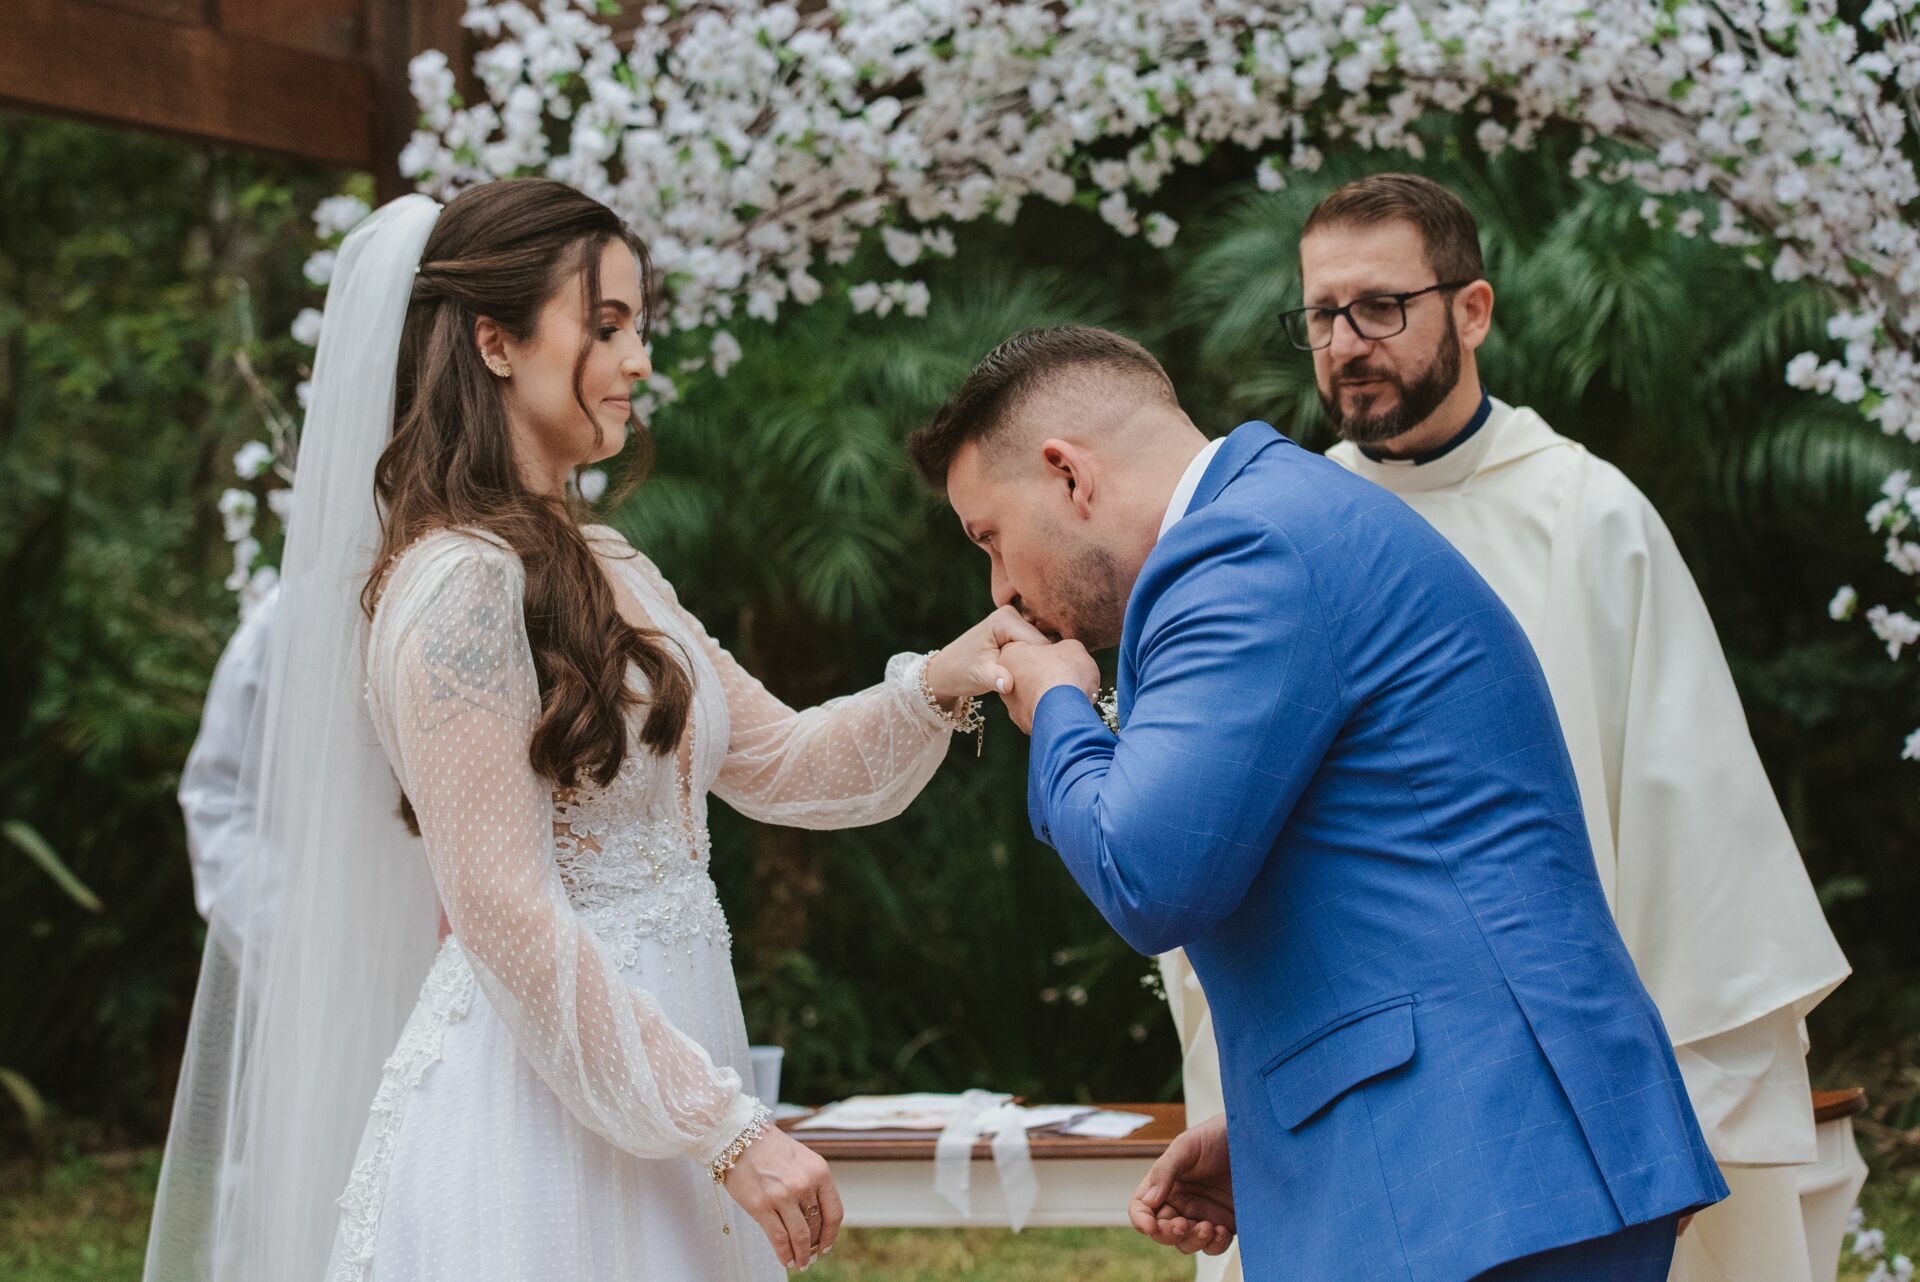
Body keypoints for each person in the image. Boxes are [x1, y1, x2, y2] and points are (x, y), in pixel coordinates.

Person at [144, 179, 1043, 1282]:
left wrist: (950, 676)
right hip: (533, 1117)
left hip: (668, 1071)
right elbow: (504, 908)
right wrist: (726, 1127)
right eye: (606, 326)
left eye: (638, 329)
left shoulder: (612, 563)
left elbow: (785, 763)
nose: (638, 362)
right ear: (496, 342)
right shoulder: (455, 586)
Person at [910, 324, 1728, 1281]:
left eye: (990, 537)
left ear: (1068, 474)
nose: (1002, 590)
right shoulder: (1282, 518)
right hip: (1471, 1151)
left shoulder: (1241, 547)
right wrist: (1270, 1135)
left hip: (1480, 1170)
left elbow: (1145, 875)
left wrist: (1056, 704)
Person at [1164, 172, 1857, 1282]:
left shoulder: (1591, 519)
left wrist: (1671, 1116)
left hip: (1565, 1109)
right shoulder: (1270, 540)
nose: (1346, 344)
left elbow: (1697, 844)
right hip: (1357, 1101)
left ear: (1473, 309)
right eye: (1322, 315)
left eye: (1380, 307)